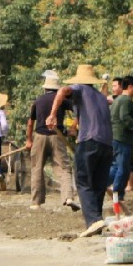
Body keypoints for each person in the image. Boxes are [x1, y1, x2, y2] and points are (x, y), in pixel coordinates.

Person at [48, 64, 113, 234]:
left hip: (89, 140)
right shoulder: (100, 97)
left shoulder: (80, 89)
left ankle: (93, 220)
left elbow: (62, 91)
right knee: (98, 184)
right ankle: (96, 222)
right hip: (107, 144)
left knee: (83, 181)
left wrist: (53, 114)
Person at [25, 71, 78, 210]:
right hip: (57, 136)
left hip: (39, 136)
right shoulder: (63, 100)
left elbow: (30, 122)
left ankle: (36, 203)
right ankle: (68, 197)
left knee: (37, 168)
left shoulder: (38, 100)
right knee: (64, 168)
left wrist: (29, 140)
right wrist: (73, 127)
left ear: (45, 88)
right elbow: (79, 111)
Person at [108, 75, 133, 216]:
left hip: (114, 137)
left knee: (114, 167)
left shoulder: (117, 100)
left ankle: (101, 185)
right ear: (130, 87)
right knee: (123, 168)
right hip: (122, 139)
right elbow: (125, 117)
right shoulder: (126, 100)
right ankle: (117, 195)